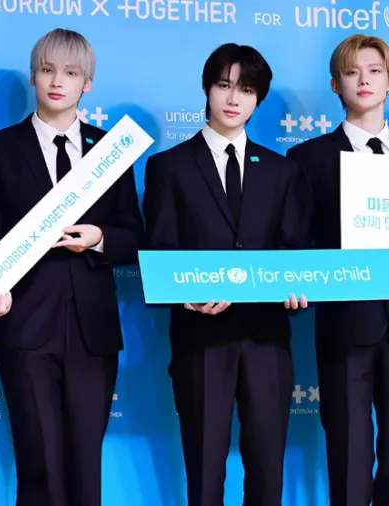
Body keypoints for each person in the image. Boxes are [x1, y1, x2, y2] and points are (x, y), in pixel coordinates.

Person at [0, 28, 143, 506]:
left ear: (87, 83)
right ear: (33, 76)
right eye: (47, 70)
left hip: (93, 328)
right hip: (24, 323)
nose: (57, 81)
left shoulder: (111, 152)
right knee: (38, 463)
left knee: (86, 463)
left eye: (70, 72)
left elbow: (134, 235)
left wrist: (100, 238)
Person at [142, 42, 310, 506]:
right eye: (224, 85)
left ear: (258, 99)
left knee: (268, 472)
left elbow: (295, 252)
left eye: (247, 90)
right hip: (200, 338)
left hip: (267, 339)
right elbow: (159, 251)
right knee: (204, 472)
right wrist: (187, 297)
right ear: (207, 88)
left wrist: (299, 291)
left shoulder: (281, 171)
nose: (234, 98)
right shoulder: (168, 167)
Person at [286, 33, 389, 506]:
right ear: (336, 84)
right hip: (344, 325)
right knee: (348, 455)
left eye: (374, 71)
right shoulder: (307, 158)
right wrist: (294, 281)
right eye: (352, 72)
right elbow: (295, 243)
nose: (364, 80)